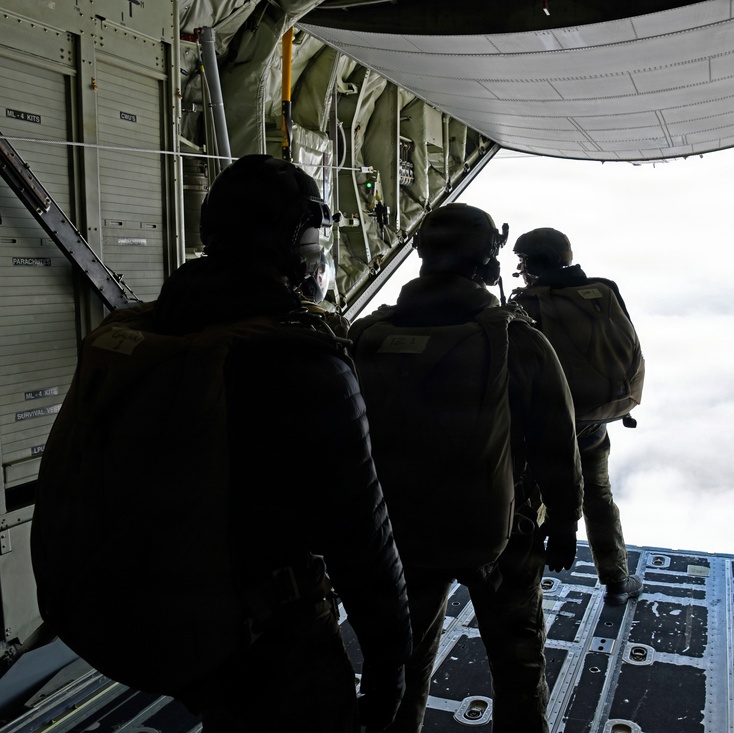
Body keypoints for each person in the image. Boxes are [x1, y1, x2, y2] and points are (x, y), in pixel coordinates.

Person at [31, 154, 411, 733]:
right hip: (262, 634)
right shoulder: (300, 361)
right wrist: (391, 660)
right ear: (290, 243)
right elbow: (362, 535)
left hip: (167, 611)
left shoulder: (148, 328)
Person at [348, 203, 584, 733]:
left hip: (399, 532)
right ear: (490, 265)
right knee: (518, 665)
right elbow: (555, 442)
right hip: (503, 533)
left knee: (402, 663)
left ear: (420, 255)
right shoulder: (514, 339)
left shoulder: (365, 334)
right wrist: (566, 521)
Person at [512, 227, 644, 606]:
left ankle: (529, 587)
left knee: (537, 503)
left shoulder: (525, 303)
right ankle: (617, 579)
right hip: (594, 425)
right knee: (598, 497)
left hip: (545, 429)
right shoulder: (604, 290)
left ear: (528, 265)